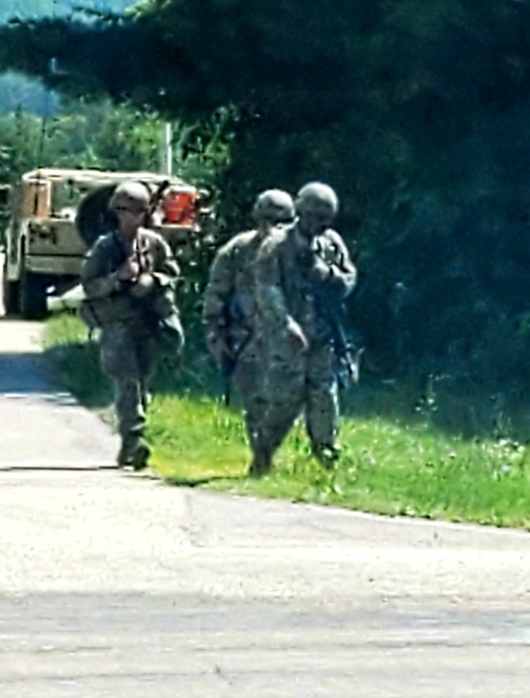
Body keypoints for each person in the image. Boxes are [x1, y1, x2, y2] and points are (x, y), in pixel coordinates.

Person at [80, 181, 184, 469]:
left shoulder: (153, 243)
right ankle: (135, 439)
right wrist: (118, 278)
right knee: (126, 381)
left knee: (142, 382)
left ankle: (128, 441)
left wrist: (154, 280)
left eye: (139, 212)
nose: (133, 218)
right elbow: (89, 286)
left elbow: (173, 274)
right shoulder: (104, 248)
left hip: (147, 321)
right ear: (117, 213)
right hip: (117, 323)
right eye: (127, 212)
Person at [255, 181, 357, 474]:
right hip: (287, 338)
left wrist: (328, 275)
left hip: (323, 336)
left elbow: (349, 281)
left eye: (323, 220)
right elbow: (267, 288)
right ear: (300, 212)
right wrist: (286, 324)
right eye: (312, 217)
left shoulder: (331, 244)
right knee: (284, 400)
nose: (317, 224)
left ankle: (326, 457)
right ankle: (264, 452)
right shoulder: (276, 245)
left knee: (324, 396)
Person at [202, 189, 296, 477]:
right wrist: (216, 336)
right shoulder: (236, 251)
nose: (274, 226)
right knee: (255, 401)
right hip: (247, 339)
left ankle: (270, 449)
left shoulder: (299, 251)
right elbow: (216, 295)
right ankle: (261, 458)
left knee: (288, 400)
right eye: (269, 219)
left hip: (289, 339)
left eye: (281, 220)